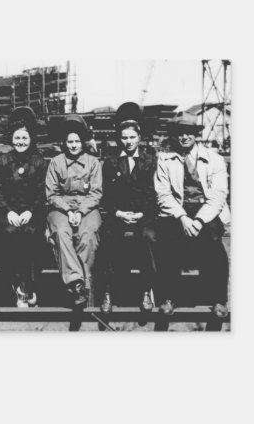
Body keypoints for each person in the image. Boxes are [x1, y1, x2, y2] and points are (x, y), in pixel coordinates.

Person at [154, 113, 230, 318]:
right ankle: (168, 298)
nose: (184, 137)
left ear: (196, 135)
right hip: (177, 212)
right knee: (167, 241)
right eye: (180, 133)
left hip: (206, 211)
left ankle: (218, 300)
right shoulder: (164, 159)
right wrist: (183, 218)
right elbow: (163, 194)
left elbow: (218, 195)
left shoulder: (215, 159)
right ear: (174, 136)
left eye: (189, 132)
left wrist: (198, 220)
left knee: (214, 241)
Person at [99, 119, 158, 313]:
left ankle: (146, 291)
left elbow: (153, 193)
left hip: (143, 215)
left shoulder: (150, 161)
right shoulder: (110, 161)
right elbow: (105, 194)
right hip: (118, 215)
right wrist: (118, 213)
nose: (129, 141)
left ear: (139, 138)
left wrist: (141, 213)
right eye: (124, 138)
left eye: (132, 137)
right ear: (119, 139)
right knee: (108, 237)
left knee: (147, 237)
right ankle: (108, 292)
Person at [0, 107, 48, 307]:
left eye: (24, 138)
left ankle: (29, 284)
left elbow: (42, 192)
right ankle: (18, 286)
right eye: (17, 138)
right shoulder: (3, 162)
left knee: (32, 233)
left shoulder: (40, 163)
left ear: (31, 138)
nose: (21, 142)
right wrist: (9, 212)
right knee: (11, 233)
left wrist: (29, 212)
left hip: (31, 213)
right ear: (11, 139)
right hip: (8, 213)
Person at [45, 114, 103, 307]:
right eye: (70, 141)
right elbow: (51, 194)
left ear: (83, 142)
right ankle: (75, 283)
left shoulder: (93, 163)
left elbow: (96, 193)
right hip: (60, 208)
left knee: (88, 234)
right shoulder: (56, 162)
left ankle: (86, 288)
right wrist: (69, 211)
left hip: (87, 207)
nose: (74, 145)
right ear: (64, 142)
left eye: (77, 141)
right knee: (61, 232)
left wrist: (80, 211)